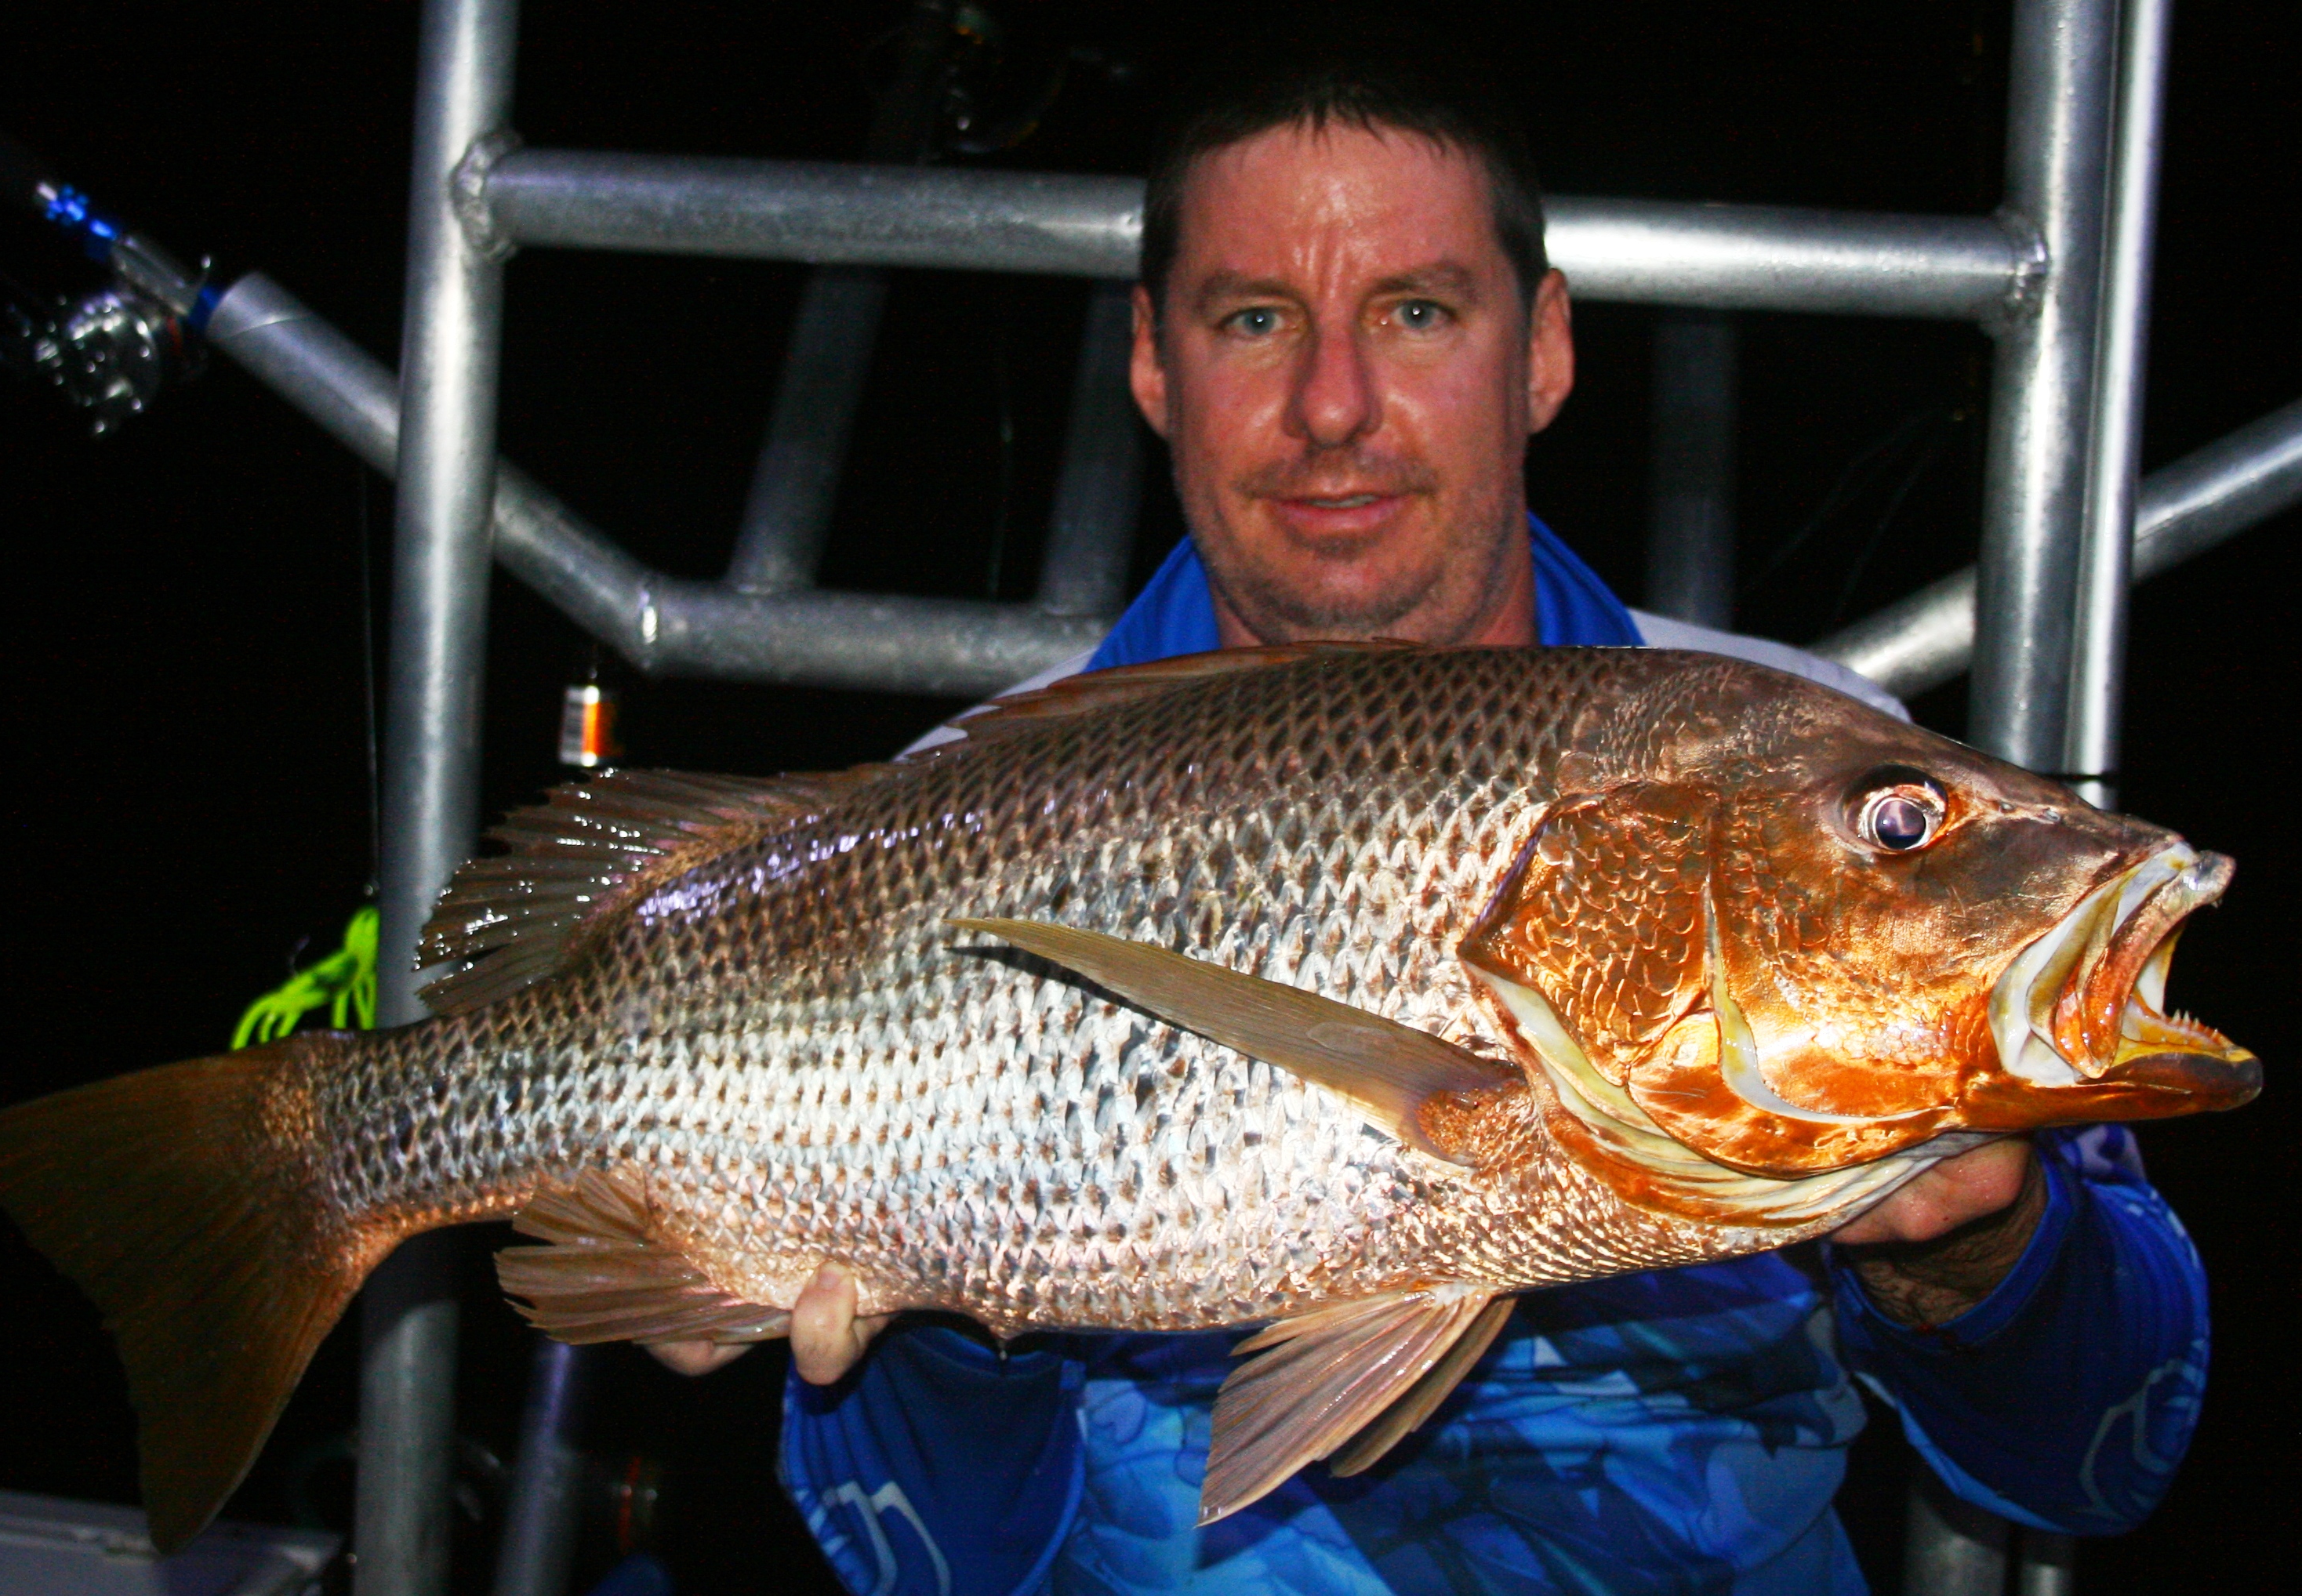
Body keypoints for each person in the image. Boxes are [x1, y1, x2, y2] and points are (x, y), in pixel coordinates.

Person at [655, 46, 2211, 1595]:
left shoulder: (1811, 762)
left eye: (1415, 312)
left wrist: (1976, 1249)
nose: (1332, 406)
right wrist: (941, 1314)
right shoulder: (922, 835)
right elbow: (930, 1563)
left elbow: (2095, 1465)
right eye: (1254, 319)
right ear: (1152, 365)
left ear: (1541, 350)